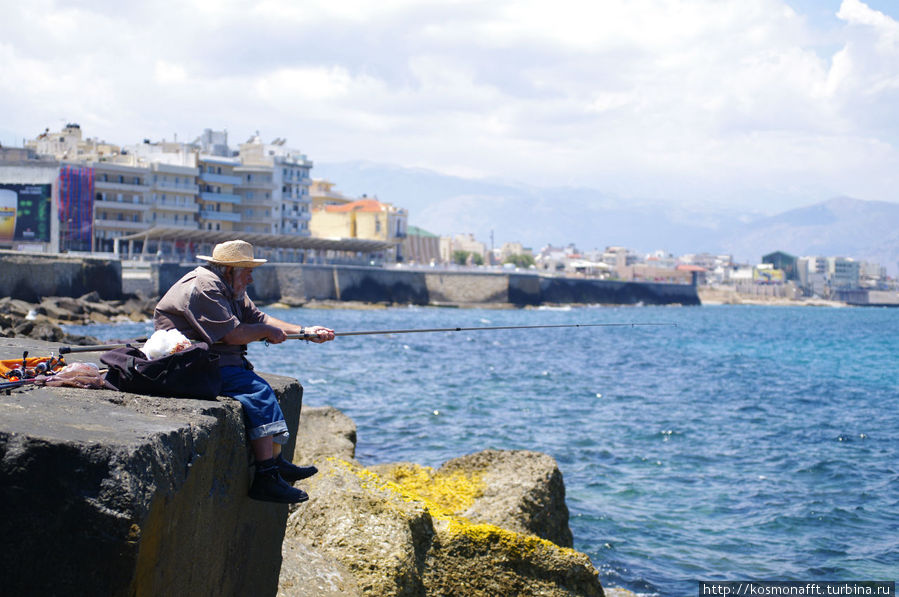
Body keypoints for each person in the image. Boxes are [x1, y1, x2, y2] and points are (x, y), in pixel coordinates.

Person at [154, 239, 335, 504]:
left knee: (259, 388)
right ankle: (266, 477)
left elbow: (259, 319)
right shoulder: (205, 286)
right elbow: (233, 335)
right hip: (189, 365)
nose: (250, 278)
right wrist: (265, 333)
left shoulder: (229, 285)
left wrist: (305, 332)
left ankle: (275, 463)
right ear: (231, 269)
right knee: (257, 390)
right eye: (247, 271)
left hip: (213, 362)